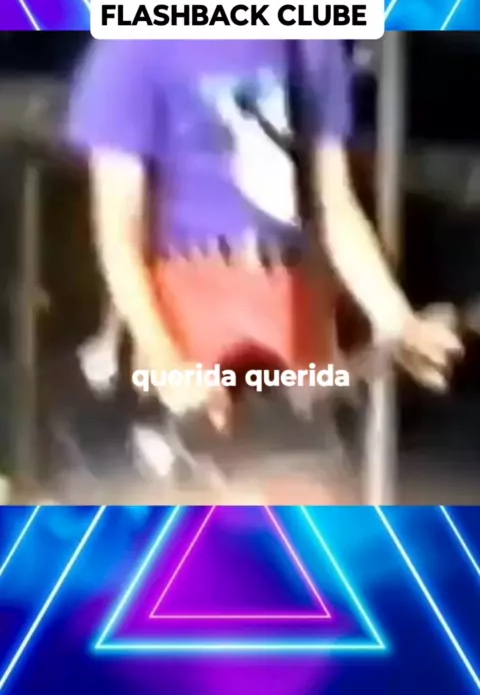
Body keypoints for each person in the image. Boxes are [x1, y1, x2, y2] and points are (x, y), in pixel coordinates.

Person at [66, 39, 462, 477]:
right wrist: (165, 358)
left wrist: (398, 322)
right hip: (188, 321)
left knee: (303, 493)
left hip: (292, 319)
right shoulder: (134, 48)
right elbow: (118, 232)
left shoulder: (314, 45)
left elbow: (333, 204)